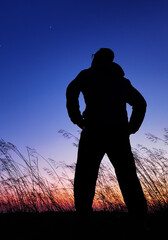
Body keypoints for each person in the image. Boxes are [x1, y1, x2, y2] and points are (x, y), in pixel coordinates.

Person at [66, 48, 148, 225]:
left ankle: (83, 218)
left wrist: (76, 117)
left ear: (96, 58)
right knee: (127, 176)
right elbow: (140, 104)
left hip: (93, 131)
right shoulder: (122, 82)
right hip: (118, 133)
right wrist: (131, 128)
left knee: (85, 176)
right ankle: (140, 218)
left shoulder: (87, 75)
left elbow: (72, 90)